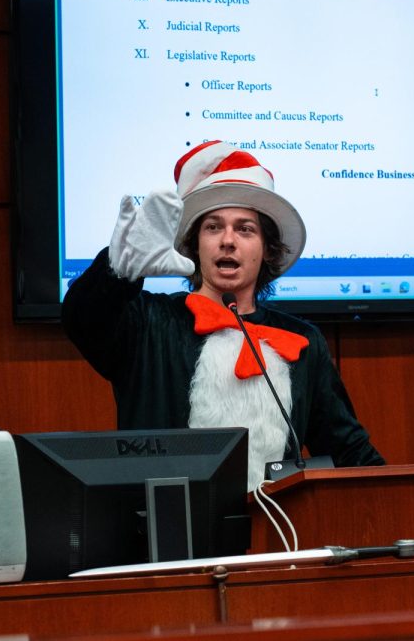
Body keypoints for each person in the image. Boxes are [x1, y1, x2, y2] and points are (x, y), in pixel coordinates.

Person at [62, 141, 384, 491]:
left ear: (266, 249)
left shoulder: (302, 341)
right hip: (167, 536)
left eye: (245, 229)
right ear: (194, 244)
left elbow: (348, 451)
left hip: (277, 534)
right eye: (213, 227)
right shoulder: (148, 322)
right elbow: (83, 318)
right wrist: (116, 272)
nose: (228, 240)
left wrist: (399, 500)